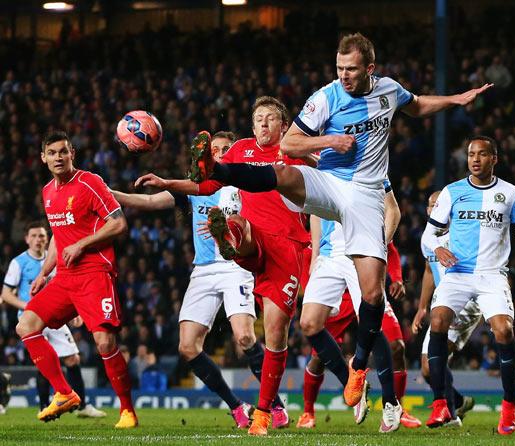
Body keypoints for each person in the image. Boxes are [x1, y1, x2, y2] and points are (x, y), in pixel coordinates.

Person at [136, 33, 491, 430]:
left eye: (351, 70)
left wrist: (456, 99)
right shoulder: (326, 97)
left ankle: (358, 368)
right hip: (329, 183)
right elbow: (292, 142)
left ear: (370, 69)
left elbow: (418, 104)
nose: (344, 76)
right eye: (339, 69)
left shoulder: (389, 90)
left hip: (364, 196)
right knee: (284, 173)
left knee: (372, 294)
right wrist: (330, 140)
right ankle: (215, 171)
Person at [135, 97, 311, 436]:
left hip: (287, 245)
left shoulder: (295, 153)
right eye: (257, 118)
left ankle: (266, 408)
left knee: (273, 333)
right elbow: (208, 185)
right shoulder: (241, 150)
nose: (262, 124)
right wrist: (171, 182)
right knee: (236, 222)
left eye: (270, 119)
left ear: (283, 126)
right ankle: (228, 236)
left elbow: (325, 183)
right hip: (246, 241)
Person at [112, 131, 276, 428]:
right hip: (202, 270)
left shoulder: (246, 186)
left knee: (245, 337)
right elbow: (148, 203)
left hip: (235, 266)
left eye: (227, 148)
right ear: (207, 155)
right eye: (216, 149)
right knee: (188, 347)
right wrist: (110, 194)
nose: (222, 152)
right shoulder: (194, 188)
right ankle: (237, 408)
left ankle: (273, 406)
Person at [15, 131, 137, 428]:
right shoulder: (47, 192)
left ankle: (127, 411)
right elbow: (58, 235)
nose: (59, 157)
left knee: (104, 342)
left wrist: (82, 244)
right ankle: (63, 392)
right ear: (43, 158)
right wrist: (44, 272)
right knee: (26, 325)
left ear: (72, 154)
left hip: (94, 272)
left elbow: (118, 223)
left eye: (64, 152)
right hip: (65, 278)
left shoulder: (89, 182)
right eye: (52, 153)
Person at [421, 136, 515, 435]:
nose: (475, 159)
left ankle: (509, 408)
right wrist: (437, 249)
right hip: (458, 273)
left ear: (493, 158)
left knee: (504, 330)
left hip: (492, 274)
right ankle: (439, 405)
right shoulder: (451, 192)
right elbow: (428, 236)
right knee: (438, 320)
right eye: (471, 154)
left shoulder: (510, 193)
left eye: (482, 154)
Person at [296, 184, 421, 432]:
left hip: (362, 252)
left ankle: (390, 402)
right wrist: (315, 258)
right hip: (329, 258)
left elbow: (392, 210)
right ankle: (351, 382)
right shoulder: (324, 165)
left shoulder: (371, 165)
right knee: (308, 324)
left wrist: (379, 245)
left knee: (375, 329)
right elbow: (317, 211)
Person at [2, 221, 106, 418]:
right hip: (33, 317)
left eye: (41, 236)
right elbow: (6, 294)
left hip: (54, 313)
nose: (38, 239)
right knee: (47, 358)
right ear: (26, 239)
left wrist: (75, 312)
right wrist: (27, 307)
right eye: (33, 236)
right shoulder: (19, 262)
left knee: (72, 358)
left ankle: (81, 406)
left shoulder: (57, 258)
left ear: (47, 239)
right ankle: (44, 405)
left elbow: (67, 288)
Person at [411, 191, 477, 426]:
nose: (434, 209)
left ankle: (449, 413)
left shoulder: (461, 233)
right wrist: (421, 308)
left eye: (438, 204)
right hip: (442, 302)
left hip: (466, 302)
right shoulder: (428, 239)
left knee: (436, 359)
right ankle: (457, 401)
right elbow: (430, 271)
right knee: (428, 368)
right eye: (431, 205)